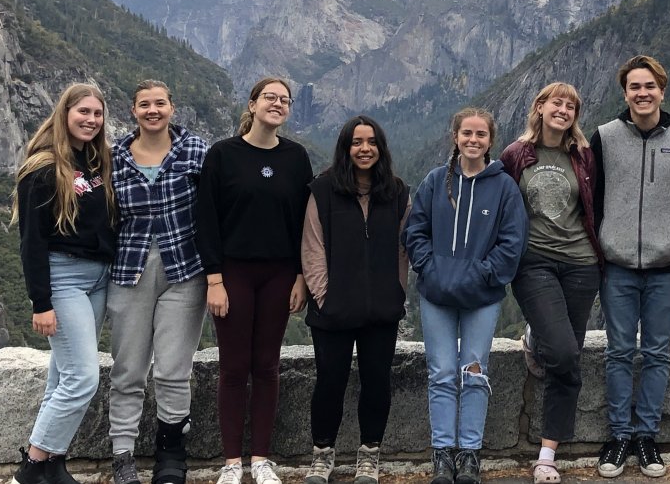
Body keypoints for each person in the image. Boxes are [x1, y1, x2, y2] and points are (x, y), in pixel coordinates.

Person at [195, 77, 313, 484]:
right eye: (270, 97)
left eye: (284, 100)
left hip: (280, 273)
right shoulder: (224, 155)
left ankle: (260, 459)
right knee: (233, 366)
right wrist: (214, 279)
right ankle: (231, 463)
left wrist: (301, 276)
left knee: (266, 365)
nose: (277, 104)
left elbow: (303, 223)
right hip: (233, 272)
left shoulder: (296, 158)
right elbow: (206, 220)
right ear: (252, 104)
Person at [404, 108, 528, 484]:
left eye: (481, 135)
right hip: (437, 294)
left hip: (482, 296)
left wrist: (482, 274)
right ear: (455, 136)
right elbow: (415, 230)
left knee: (474, 372)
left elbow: (512, 242)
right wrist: (430, 267)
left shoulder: (504, 187)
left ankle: (470, 453)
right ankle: (443, 453)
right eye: (466, 134)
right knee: (441, 373)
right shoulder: (435, 180)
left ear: (491, 141)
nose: (473, 140)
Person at [590, 56, 670, 479]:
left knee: (657, 353)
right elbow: (593, 195)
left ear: (662, 90)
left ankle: (646, 436)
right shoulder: (604, 137)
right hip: (617, 265)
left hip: (666, 266)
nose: (642, 93)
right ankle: (619, 436)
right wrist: (606, 235)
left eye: (649, 86)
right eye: (634, 86)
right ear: (625, 93)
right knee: (618, 353)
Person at [11, 83, 117, 484]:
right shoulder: (43, 166)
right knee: (83, 378)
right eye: (83, 112)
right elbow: (32, 242)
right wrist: (41, 301)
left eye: (97, 114)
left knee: (63, 375)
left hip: (98, 278)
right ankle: (34, 464)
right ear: (65, 113)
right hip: (64, 278)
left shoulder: (93, 163)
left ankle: (53, 462)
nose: (91, 120)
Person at [499, 82, 602, 484]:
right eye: (556, 102)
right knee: (559, 349)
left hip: (580, 264)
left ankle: (547, 454)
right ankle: (537, 338)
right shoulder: (516, 155)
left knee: (569, 357)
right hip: (534, 263)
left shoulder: (583, 156)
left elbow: (596, 207)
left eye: (571, 105)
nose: (563, 109)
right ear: (539, 107)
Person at [108, 80, 209, 484]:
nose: (153, 110)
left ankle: (171, 452)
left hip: (184, 270)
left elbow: (216, 208)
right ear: (133, 110)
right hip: (129, 270)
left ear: (172, 107)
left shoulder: (195, 151)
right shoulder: (113, 156)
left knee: (172, 369)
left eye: (160, 103)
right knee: (128, 368)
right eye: (144, 105)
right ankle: (123, 455)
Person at [302, 116, 411, 484]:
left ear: (381, 148)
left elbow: (402, 249)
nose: (365, 149)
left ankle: (369, 454)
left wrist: (397, 291)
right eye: (356, 142)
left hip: (381, 309)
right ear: (345, 148)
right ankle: (322, 454)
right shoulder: (322, 190)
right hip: (332, 309)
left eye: (371, 142)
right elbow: (313, 248)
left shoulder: (397, 192)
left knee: (377, 381)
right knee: (329, 380)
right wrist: (324, 296)